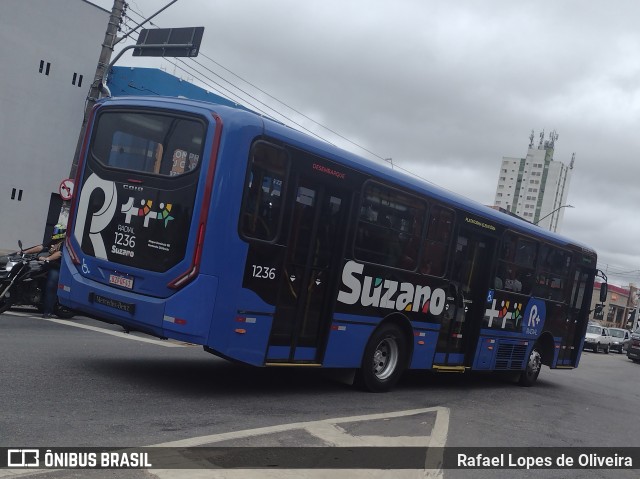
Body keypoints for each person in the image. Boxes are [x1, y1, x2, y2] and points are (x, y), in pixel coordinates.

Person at [23, 224, 66, 318]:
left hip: (56, 267)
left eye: (57, 231)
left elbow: (59, 253)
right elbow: (40, 247)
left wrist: (48, 258)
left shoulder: (64, 243)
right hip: (47, 265)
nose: (55, 233)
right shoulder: (54, 241)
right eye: (55, 231)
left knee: (50, 286)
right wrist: (24, 252)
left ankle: (48, 311)